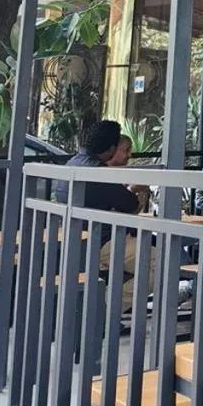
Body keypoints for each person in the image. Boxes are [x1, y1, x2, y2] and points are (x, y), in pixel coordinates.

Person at [69, 121, 146, 309]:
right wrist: (137, 191)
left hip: (74, 240)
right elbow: (131, 205)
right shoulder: (100, 173)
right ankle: (107, 309)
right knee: (162, 261)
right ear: (111, 148)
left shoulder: (73, 163)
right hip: (99, 242)